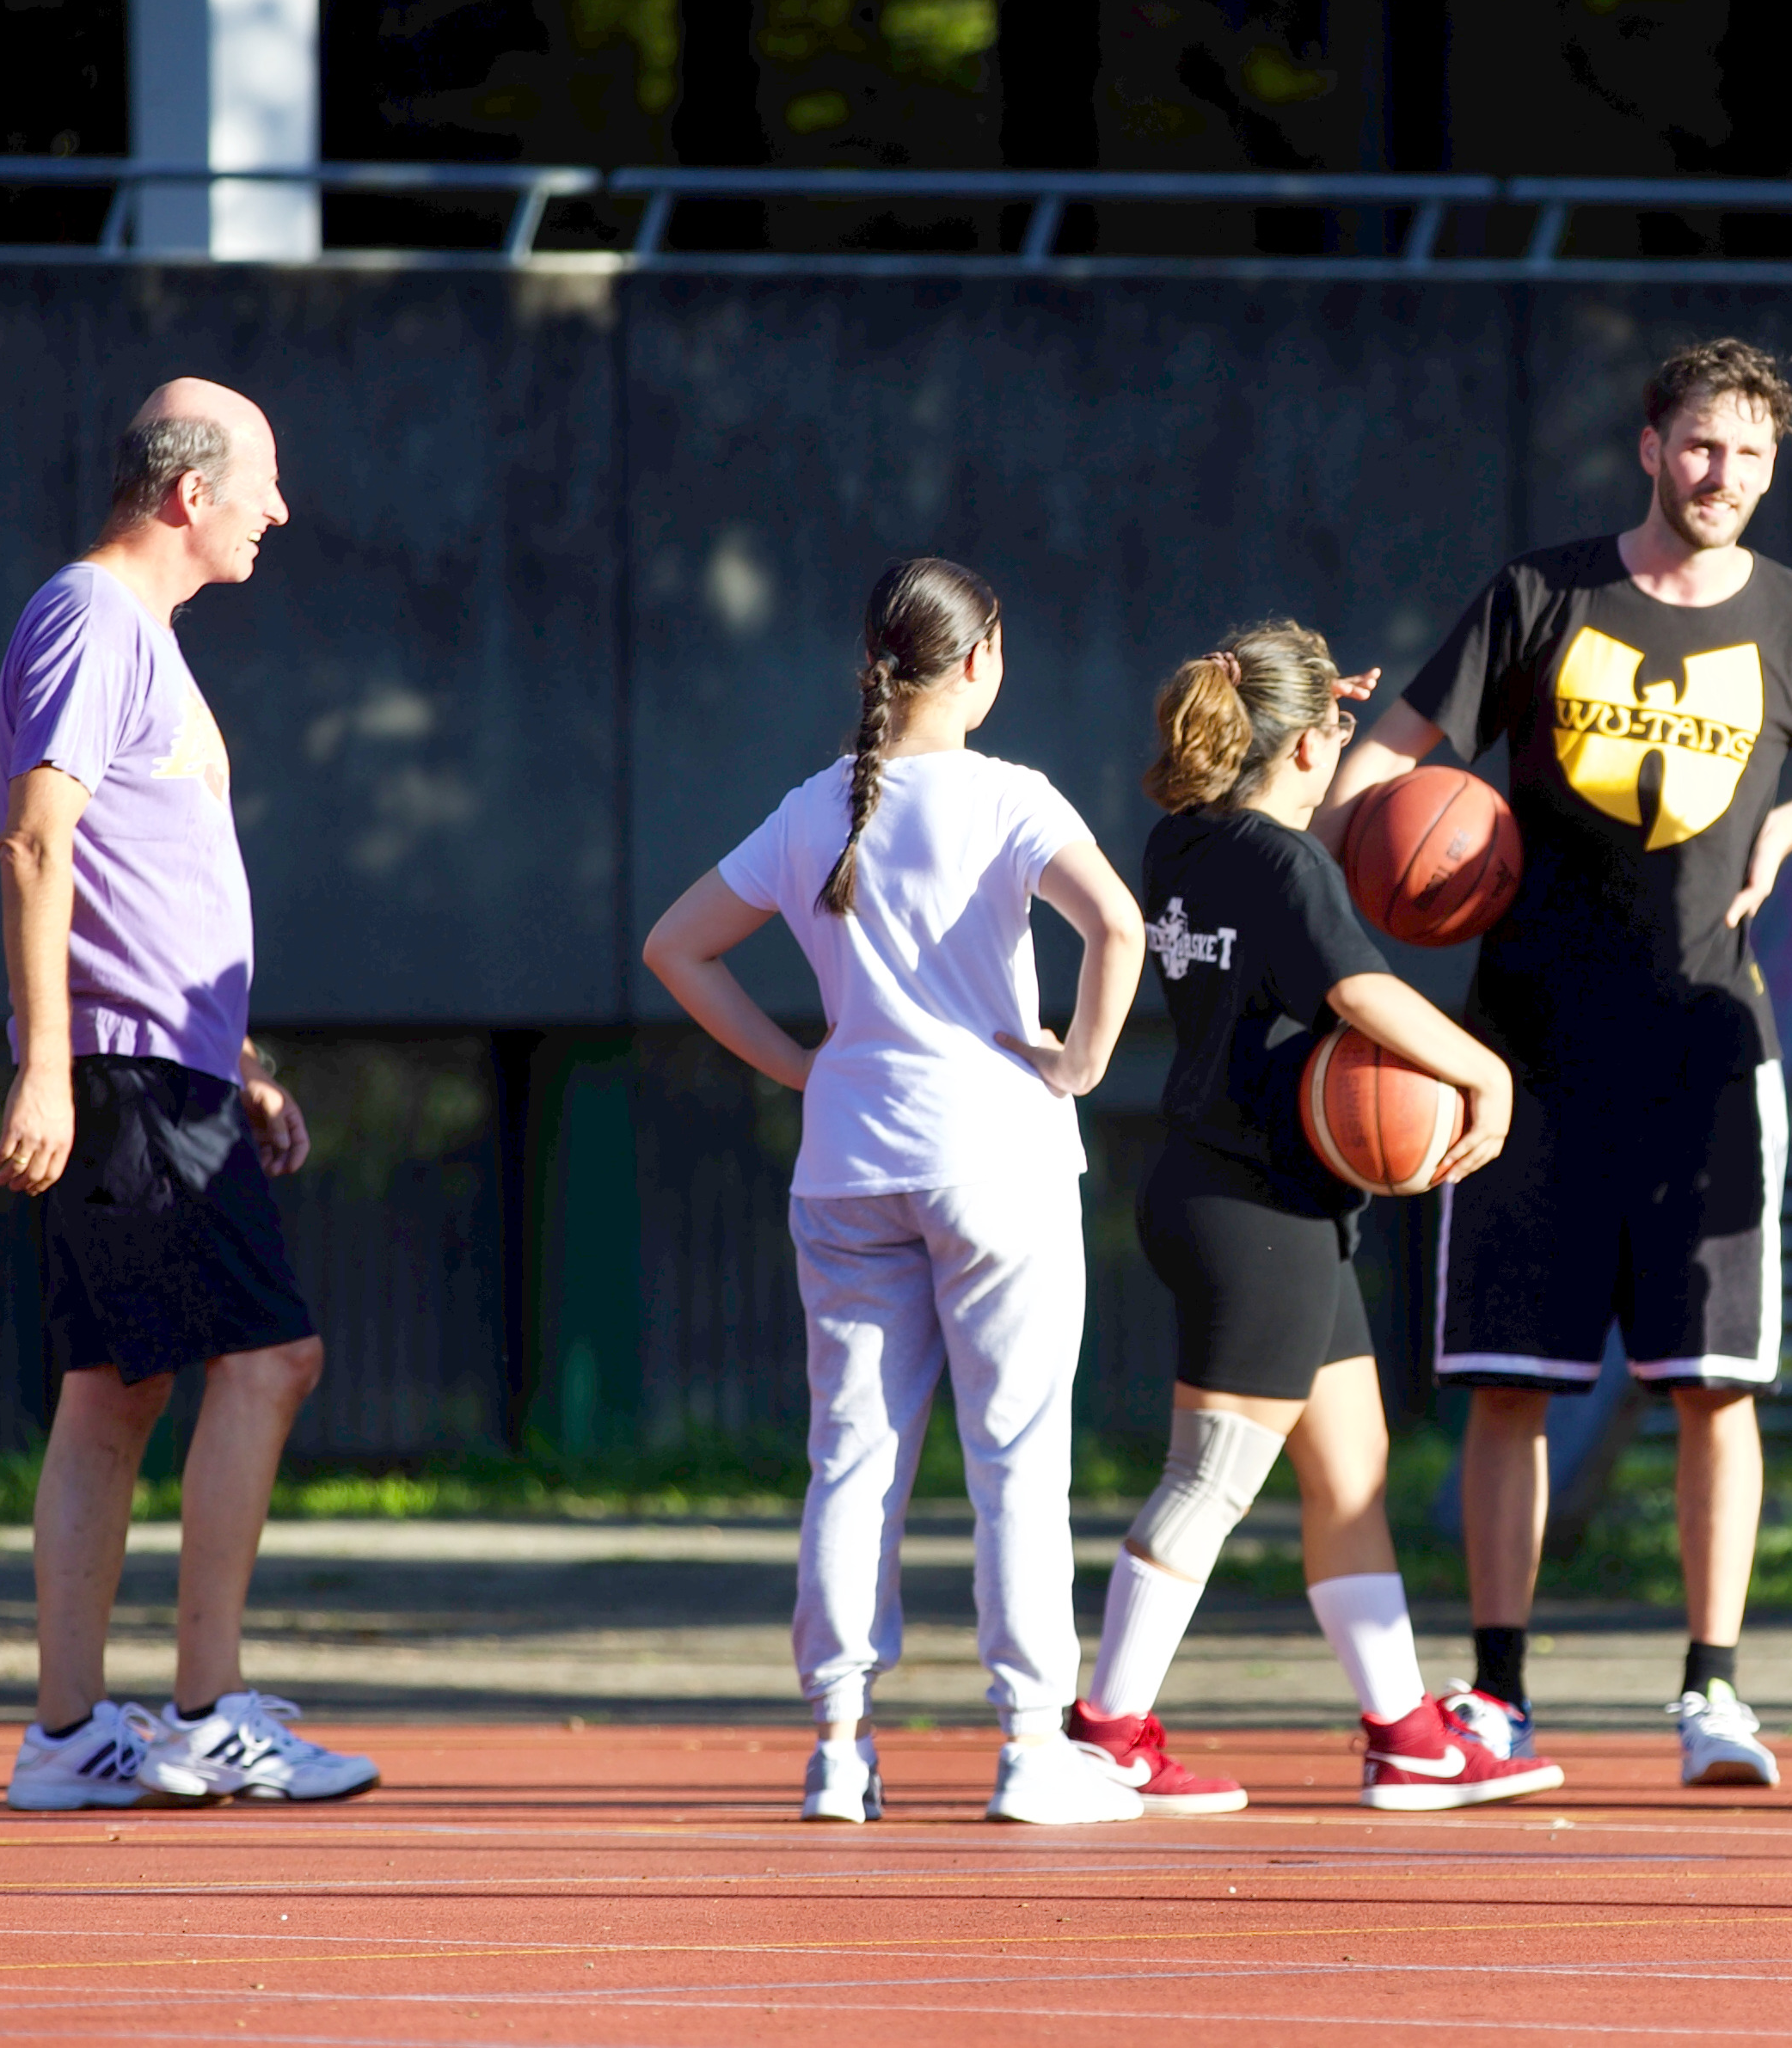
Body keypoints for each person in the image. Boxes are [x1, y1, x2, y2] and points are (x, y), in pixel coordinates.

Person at [1323, 337, 1792, 1787]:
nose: (1727, 476)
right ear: (1651, 447)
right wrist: (1362, 874)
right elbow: (1378, 770)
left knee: (1716, 1388)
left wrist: (1790, 828)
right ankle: (1498, 1694)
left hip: (1705, 1055)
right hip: (1521, 1058)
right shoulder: (1541, 596)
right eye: (1704, 446)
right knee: (1507, 1385)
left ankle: (1714, 1692)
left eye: (1754, 455)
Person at [641, 556, 1149, 1827]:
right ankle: (1029, 1747)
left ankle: (837, 1746)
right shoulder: (1010, 796)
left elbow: (675, 948)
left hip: (849, 1165)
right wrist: (1079, 1066)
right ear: (979, 663)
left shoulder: (811, 809)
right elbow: (1119, 926)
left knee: (852, 1458)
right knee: (1016, 1462)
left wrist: (799, 1067)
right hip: (999, 1161)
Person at [1066, 623, 1562, 1816]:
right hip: (1259, 1211)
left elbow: (1293, 844)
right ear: (1301, 748)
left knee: (1352, 1474)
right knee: (1211, 1478)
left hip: (1233, 1188)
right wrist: (1486, 1073)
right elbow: (1359, 988)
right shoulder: (1285, 867)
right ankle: (1105, 1732)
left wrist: (1299, 705)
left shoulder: (1184, 839)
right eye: (1333, 734)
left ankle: (1408, 1736)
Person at [0, 379, 378, 1812]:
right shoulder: (93, 617)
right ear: (188, 493)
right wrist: (49, 1064)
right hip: (126, 1068)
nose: (279, 509)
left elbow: (148, 877)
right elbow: (38, 843)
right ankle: (208, 1712)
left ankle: (68, 1734)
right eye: (260, 481)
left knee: (117, 1390)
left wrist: (243, 1060)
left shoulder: (131, 633)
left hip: (164, 1060)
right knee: (272, 1360)